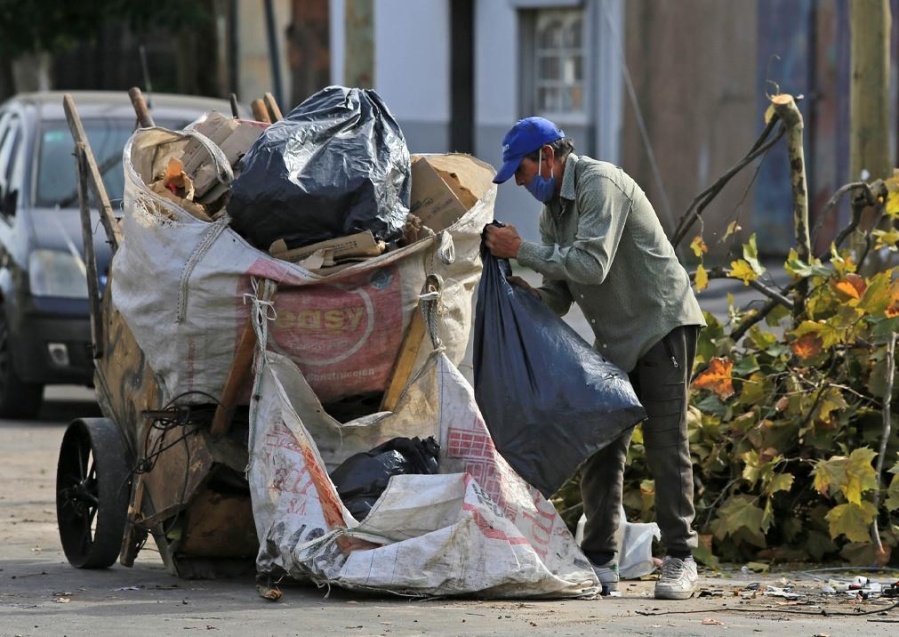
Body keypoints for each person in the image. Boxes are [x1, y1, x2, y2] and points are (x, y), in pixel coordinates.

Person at [484, 117, 706, 600]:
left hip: (662, 325)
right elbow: (560, 296)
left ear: (547, 156)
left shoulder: (598, 184)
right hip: (615, 340)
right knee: (601, 441)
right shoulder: (553, 215)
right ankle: (601, 562)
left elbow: (592, 266)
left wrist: (521, 249)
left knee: (667, 444)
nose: (520, 183)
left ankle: (681, 560)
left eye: (521, 171)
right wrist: (520, 293)